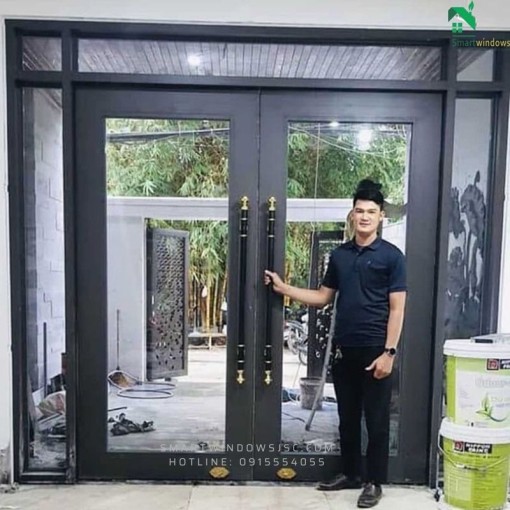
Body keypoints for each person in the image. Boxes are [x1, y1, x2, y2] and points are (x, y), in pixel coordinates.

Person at [264, 180, 406, 509]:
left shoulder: (392, 257)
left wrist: (389, 352)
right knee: (347, 418)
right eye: (359, 211)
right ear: (352, 215)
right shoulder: (340, 256)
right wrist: (285, 289)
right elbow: (323, 297)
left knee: (376, 421)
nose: (365, 217)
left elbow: (398, 308)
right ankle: (352, 474)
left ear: (381, 217)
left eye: (371, 211)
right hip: (345, 350)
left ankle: (374, 482)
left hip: (376, 350)